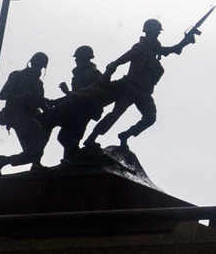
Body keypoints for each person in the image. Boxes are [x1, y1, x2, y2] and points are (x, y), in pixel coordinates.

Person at [88, 20, 191, 158]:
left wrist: (186, 41)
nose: (156, 36)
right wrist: (112, 68)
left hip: (143, 91)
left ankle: (125, 135)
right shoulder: (141, 47)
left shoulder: (154, 49)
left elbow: (172, 50)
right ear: (149, 33)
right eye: (155, 33)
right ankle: (92, 138)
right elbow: (123, 59)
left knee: (150, 117)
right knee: (116, 113)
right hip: (130, 87)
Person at [45, 47, 111, 162]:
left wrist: (67, 93)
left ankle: (77, 159)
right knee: (64, 137)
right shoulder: (79, 73)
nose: (76, 60)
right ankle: (71, 160)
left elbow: (86, 95)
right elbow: (74, 96)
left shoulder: (93, 74)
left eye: (78, 58)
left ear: (85, 58)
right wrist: (55, 101)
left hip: (85, 111)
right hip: (76, 109)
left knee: (67, 138)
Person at [0, 52, 51, 174]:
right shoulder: (17, 76)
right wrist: (20, 97)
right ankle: (35, 163)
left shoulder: (39, 84)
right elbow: (2, 95)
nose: (37, 68)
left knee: (32, 152)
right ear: (31, 63)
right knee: (38, 133)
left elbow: (40, 103)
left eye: (40, 66)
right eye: (36, 65)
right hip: (16, 116)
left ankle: (5, 161)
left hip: (32, 116)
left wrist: (51, 110)